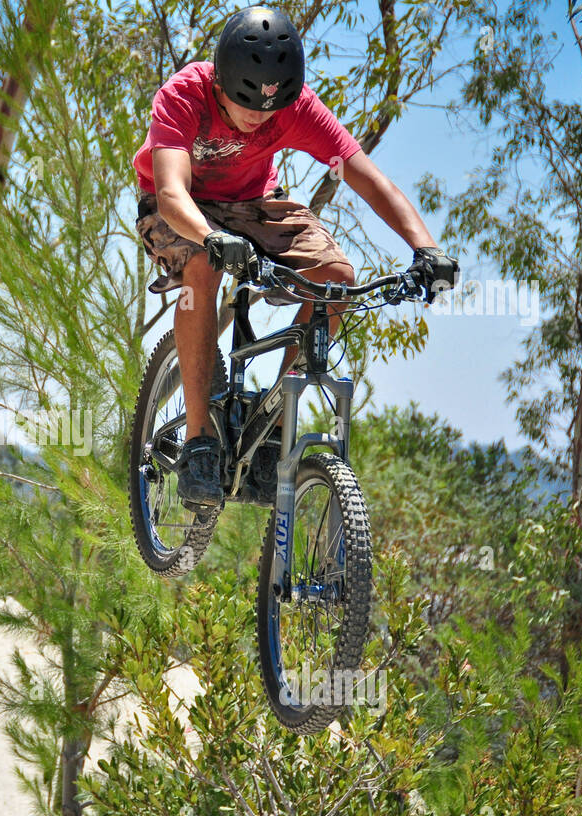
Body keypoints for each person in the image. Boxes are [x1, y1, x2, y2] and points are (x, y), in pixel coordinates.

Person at [133, 5, 459, 508]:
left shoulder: (295, 108)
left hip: (253, 206)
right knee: (205, 263)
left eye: (271, 109)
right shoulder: (184, 95)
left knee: (337, 278)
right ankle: (199, 441)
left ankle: (275, 425)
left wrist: (426, 247)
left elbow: (368, 179)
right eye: (247, 107)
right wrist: (211, 237)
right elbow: (172, 193)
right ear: (220, 82)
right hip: (181, 209)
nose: (260, 119)